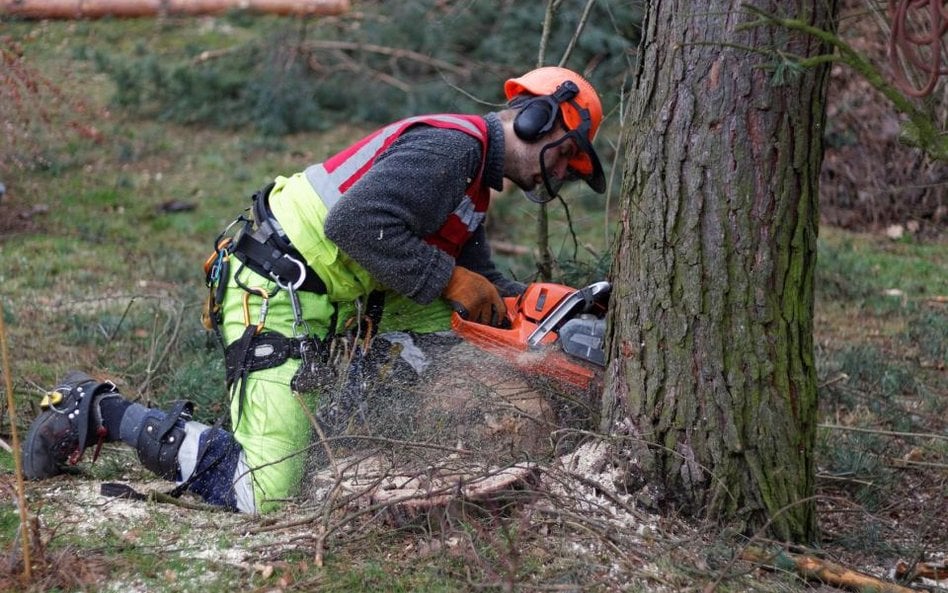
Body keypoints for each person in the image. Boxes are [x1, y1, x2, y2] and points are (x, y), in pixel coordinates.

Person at [22, 66, 606, 513]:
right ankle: (99, 410)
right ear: (539, 121)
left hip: (336, 293)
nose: (562, 177)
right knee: (265, 491)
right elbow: (353, 226)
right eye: (569, 160)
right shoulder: (453, 149)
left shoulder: (473, 184)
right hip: (279, 287)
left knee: (464, 319)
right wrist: (453, 279)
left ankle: (353, 408)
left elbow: (480, 289)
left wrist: (549, 311)